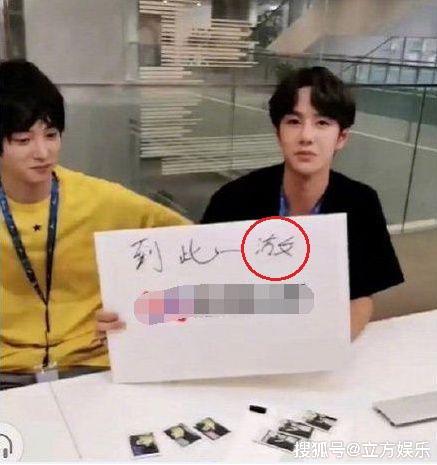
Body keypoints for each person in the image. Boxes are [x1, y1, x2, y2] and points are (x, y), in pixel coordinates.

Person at [0, 60, 189, 388]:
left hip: (90, 367)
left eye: (51, 135)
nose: (43, 152)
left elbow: (194, 247)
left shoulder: (103, 200)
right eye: (23, 140)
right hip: (7, 373)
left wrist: (138, 305)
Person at [201, 66, 404, 340]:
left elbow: (360, 296)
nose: (306, 136)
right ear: (278, 133)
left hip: (317, 344)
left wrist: (330, 344)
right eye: (294, 121)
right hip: (245, 339)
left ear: (341, 137)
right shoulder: (232, 199)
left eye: (322, 123)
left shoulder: (361, 203)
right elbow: (200, 289)